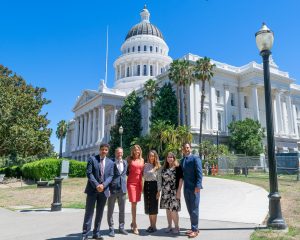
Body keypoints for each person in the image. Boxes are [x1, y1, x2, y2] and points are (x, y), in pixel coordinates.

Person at [81, 143, 114, 240]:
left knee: (100, 212)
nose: (104, 151)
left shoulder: (111, 162)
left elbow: (111, 176)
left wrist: (103, 185)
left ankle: (96, 233)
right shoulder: (92, 159)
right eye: (102, 149)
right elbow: (89, 173)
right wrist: (97, 185)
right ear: (99, 150)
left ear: (108, 151)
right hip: (92, 190)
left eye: (106, 150)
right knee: (89, 212)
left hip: (103, 191)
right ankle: (85, 234)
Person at [180, 143, 203, 238]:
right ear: (182, 150)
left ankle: (194, 230)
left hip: (194, 188)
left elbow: (199, 173)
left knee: (194, 209)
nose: (186, 149)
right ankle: (194, 227)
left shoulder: (195, 158)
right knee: (190, 209)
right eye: (185, 148)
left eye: (188, 147)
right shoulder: (182, 161)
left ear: (190, 148)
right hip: (186, 188)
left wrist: (198, 186)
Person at [158, 152, 183, 234]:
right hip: (165, 192)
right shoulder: (164, 168)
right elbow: (160, 179)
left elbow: (181, 179)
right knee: (168, 210)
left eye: (171, 157)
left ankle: (177, 226)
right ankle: (169, 226)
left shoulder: (178, 167)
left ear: (174, 158)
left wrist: (179, 191)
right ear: (166, 158)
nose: (170, 158)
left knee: (174, 210)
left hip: (174, 192)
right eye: (168, 157)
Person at [107, 147, 128, 237]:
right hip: (112, 189)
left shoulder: (125, 162)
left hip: (123, 189)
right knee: (110, 210)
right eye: (118, 153)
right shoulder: (111, 162)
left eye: (121, 153)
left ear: (122, 153)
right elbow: (107, 176)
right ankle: (111, 228)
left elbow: (125, 174)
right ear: (115, 153)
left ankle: (121, 227)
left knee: (122, 210)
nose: (120, 154)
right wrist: (107, 188)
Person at [126, 144, 144, 235]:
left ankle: (133, 222)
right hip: (131, 184)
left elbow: (143, 174)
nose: (137, 151)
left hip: (139, 184)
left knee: (135, 203)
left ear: (140, 151)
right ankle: (135, 225)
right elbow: (124, 170)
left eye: (138, 149)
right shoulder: (129, 159)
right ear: (132, 151)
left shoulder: (142, 160)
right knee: (133, 204)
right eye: (135, 150)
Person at [143, 150, 161, 233]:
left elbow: (159, 180)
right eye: (150, 155)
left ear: (155, 157)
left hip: (154, 187)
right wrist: (152, 170)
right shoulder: (145, 165)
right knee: (149, 207)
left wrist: (158, 191)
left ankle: (154, 226)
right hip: (146, 186)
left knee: (154, 207)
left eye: (153, 156)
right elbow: (145, 175)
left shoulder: (158, 166)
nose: (151, 157)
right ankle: (151, 225)